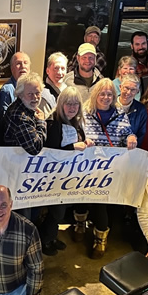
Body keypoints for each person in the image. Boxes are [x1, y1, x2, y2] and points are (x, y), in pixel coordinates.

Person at [83, 78, 136, 258]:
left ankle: (101, 238)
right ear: (95, 95)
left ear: (114, 96)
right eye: (102, 93)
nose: (105, 97)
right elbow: (75, 130)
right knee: (79, 197)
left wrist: (131, 138)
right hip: (86, 166)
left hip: (109, 168)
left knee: (101, 203)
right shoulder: (85, 111)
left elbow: (128, 132)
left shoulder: (120, 113)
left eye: (109, 94)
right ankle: (80, 224)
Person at [43, 87, 94, 253]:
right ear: (61, 104)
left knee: (61, 211)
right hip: (54, 177)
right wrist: (72, 147)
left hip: (69, 176)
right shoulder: (53, 122)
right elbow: (50, 151)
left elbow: (78, 142)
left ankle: (52, 237)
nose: (72, 108)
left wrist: (86, 143)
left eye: (76, 104)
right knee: (55, 212)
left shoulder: (76, 121)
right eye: (68, 104)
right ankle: (45, 241)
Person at [3, 72, 47, 156]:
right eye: (30, 94)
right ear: (20, 95)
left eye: (37, 93)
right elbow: (35, 148)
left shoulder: (27, 107)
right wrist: (41, 122)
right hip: (14, 165)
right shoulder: (19, 117)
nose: (35, 97)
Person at [115, 74, 147, 146]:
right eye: (126, 88)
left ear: (137, 91)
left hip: (129, 151)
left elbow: (141, 134)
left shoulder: (141, 110)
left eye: (133, 90)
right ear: (120, 87)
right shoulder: (109, 104)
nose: (129, 92)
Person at [0, 51, 31, 117]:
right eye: (18, 63)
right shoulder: (7, 90)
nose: (23, 66)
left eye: (25, 63)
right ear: (12, 69)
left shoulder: (32, 88)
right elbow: (4, 119)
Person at [39, 51, 68, 116]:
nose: (59, 72)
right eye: (56, 68)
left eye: (63, 68)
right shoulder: (42, 95)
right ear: (47, 71)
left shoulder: (68, 91)